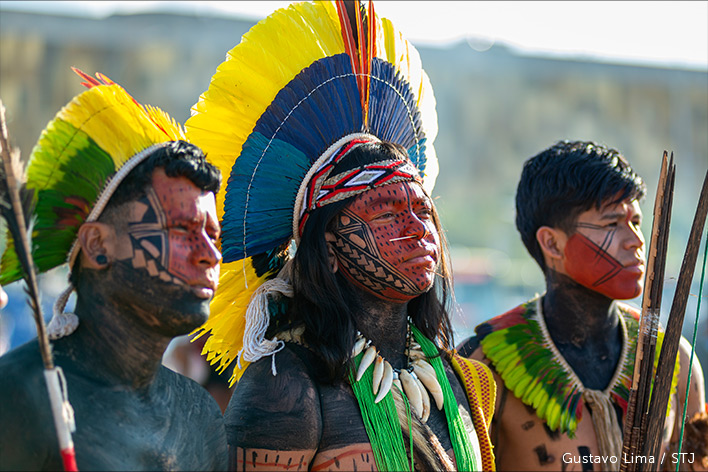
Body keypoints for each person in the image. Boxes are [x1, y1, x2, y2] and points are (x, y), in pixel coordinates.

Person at [185, 1, 496, 470]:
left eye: (423, 210)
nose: (418, 228)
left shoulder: (462, 382)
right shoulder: (286, 387)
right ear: (328, 247)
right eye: (389, 212)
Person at [0, 72, 228, 471]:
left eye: (213, 235)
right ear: (97, 245)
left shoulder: (200, 416)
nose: (209, 255)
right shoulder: (18, 397)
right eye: (181, 230)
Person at [458, 140, 707, 471]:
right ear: (552, 243)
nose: (636, 240)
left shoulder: (673, 359)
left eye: (635, 221)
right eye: (611, 224)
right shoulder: (482, 365)